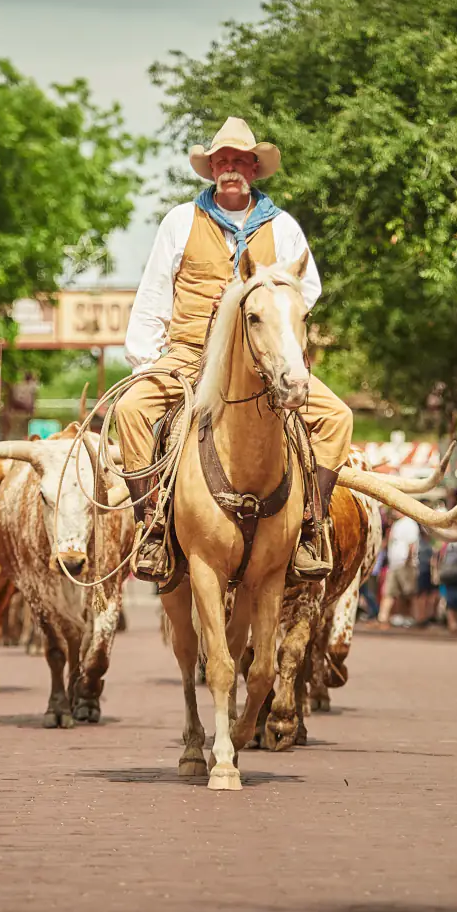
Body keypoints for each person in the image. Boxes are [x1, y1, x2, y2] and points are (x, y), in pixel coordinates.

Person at [115, 117, 353, 584]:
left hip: (264, 361)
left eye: (240, 161)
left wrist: (275, 335)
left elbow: (306, 290)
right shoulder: (181, 221)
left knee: (337, 418)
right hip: (189, 354)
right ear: (211, 170)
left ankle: (311, 524)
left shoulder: (283, 227)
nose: (230, 168)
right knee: (130, 409)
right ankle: (152, 528)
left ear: (254, 169)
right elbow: (154, 293)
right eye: (222, 161)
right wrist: (146, 362)